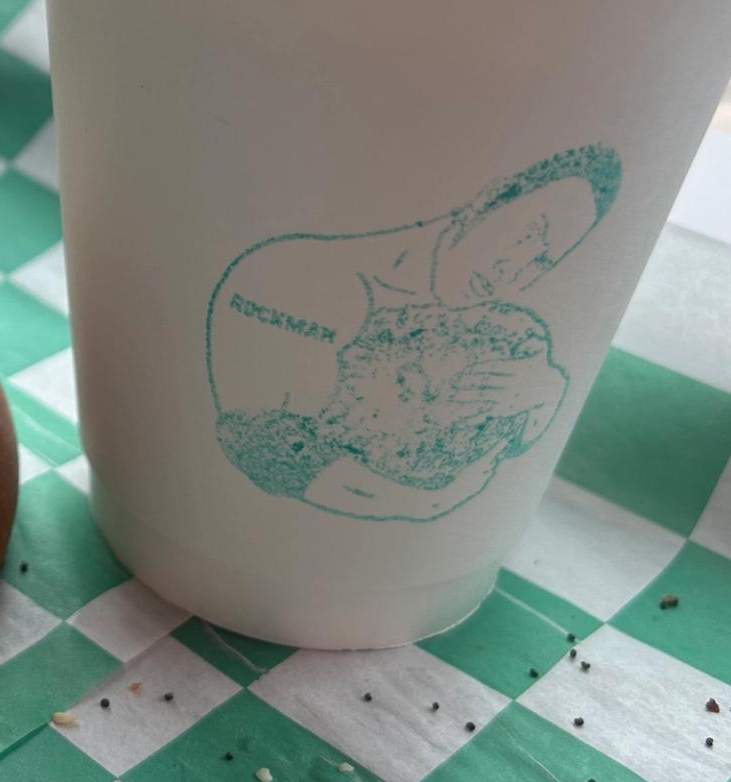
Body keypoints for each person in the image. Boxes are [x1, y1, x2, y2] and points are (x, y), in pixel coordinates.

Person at [206, 145, 620, 521]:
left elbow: (506, 453)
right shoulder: (302, 278)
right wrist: (429, 504)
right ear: (490, 198)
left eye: (542, 262)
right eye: (530, 233)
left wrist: (549, 392)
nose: (512, 270)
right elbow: (261, 443)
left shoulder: (508, 337)